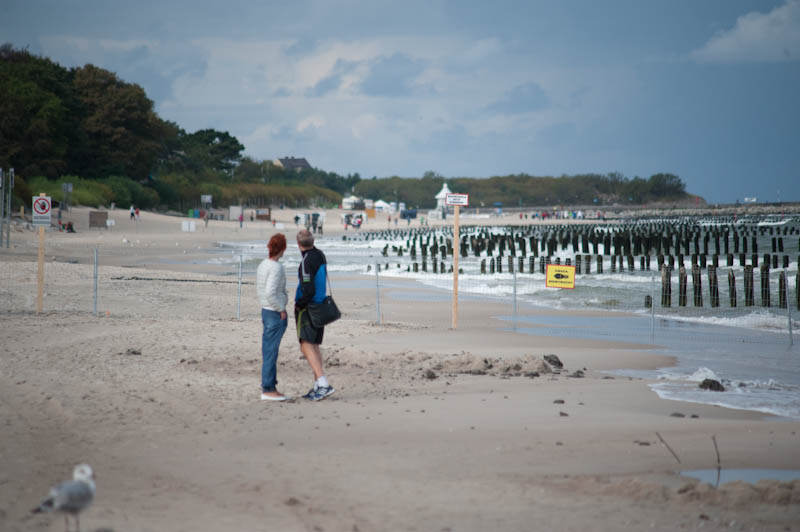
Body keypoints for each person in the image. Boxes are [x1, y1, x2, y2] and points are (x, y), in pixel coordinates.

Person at [294, 229, 335, 401]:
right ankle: (319, 384)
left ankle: (323, 383)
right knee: (314, 345)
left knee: (305, 344)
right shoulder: (320, 255)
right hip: (320, 305)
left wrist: (299, 304)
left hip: (310, 308)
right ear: (313, 241)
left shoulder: (307, 261)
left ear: (298, 245)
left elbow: (308, 289)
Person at [256, 233, 289, 401]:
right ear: (282, 248)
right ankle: (268, 388)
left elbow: (263, 290)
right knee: (270, 351)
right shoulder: (276, 267)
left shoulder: (263, 265)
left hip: (265, 310)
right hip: (273, 312)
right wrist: (281, 308)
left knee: (268, 350)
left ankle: (270, 386)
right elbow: (270, 292)